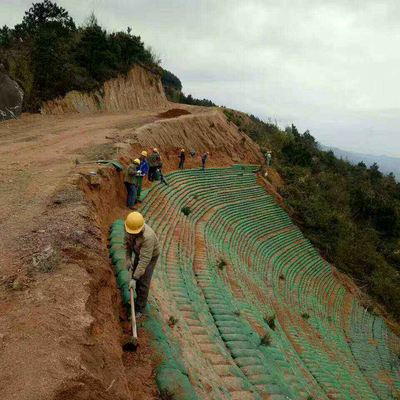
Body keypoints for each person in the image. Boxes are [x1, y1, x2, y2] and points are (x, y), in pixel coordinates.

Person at [125, 211, 160, 317]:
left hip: (150, 256)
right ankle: (135, 297)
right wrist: (128, 258)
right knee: (136, 269)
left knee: (143, 280)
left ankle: (140, 308)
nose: (131, 234)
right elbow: (127, 243)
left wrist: (134, 279)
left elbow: (144, 260)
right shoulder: (128, 227)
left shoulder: (147, 237)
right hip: (138, 250)